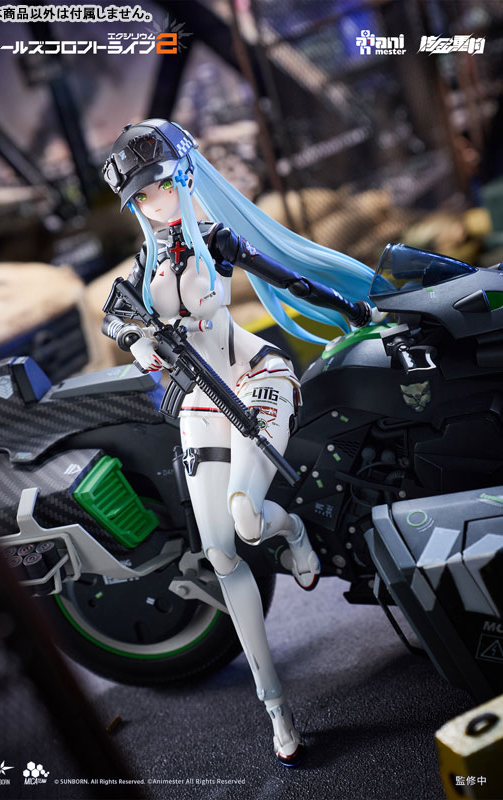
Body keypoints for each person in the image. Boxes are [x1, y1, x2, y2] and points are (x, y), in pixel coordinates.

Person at [102, 119, 374, 765]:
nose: (157, 202)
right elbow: (119, 320)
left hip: (254, 377)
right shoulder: (142, 266)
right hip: (198, 400)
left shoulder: (217, 241)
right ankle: (275, 708)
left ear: (184, 176)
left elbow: (290, 278)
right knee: (221, 554)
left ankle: (292, 531)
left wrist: (353, 309)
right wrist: (137, 341)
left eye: (163, 185)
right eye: (143, 196)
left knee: (249, 519)